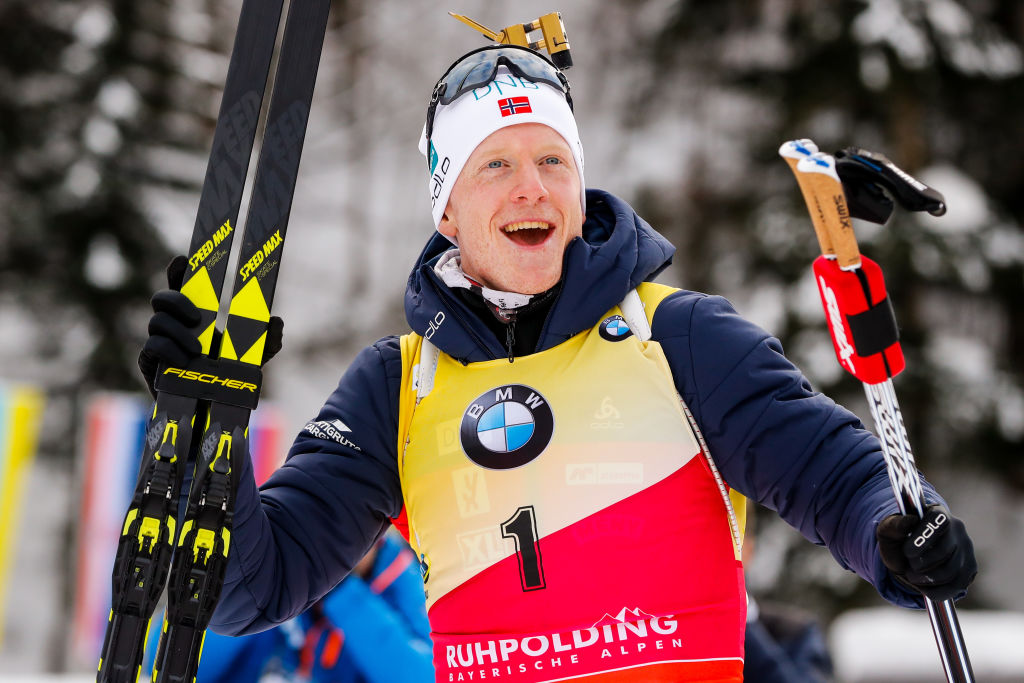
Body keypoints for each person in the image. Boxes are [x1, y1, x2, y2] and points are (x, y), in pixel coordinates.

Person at [141, 44, 977, 682]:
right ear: (449, 208)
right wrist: (203, 424)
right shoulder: (395, 386)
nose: (531, 189)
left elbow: (835, 473)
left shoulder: (680, 337)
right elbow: (252, 588)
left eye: (553, 162)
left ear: (580, 188)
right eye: (495, 165)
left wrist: (899, 532)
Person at [142, 532, 433, 682]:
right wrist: (256, 589)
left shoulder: (406, 579)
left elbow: (426, 677)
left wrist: (342, 592)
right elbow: (162, 660)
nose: (328, 538)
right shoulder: (271, 568)